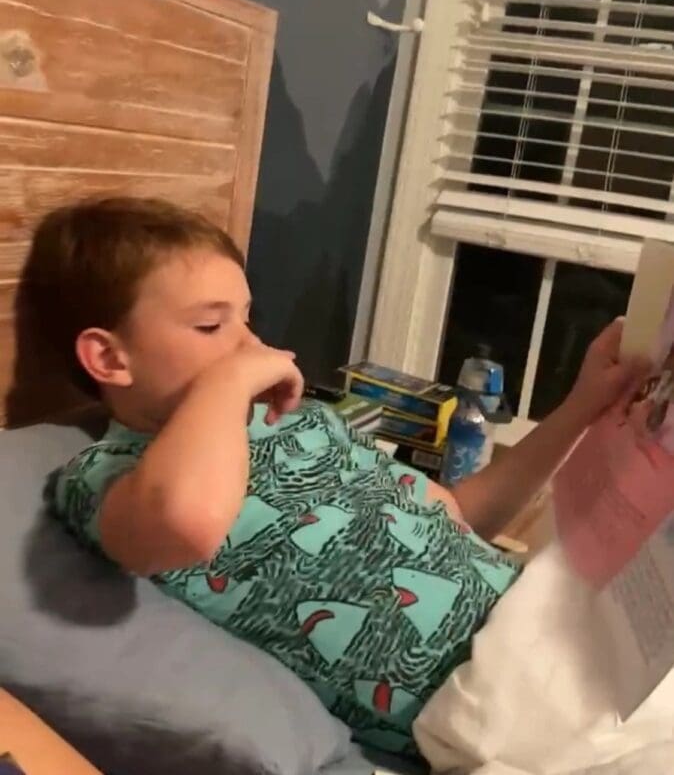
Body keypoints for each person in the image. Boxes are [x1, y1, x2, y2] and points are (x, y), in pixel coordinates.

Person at [34, 198, 645, 756]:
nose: (250, 344)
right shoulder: (105, 474)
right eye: (211, 325)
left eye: (248, 318)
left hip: (549, 620)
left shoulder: (300, 421)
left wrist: (584, 405)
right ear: (110, 358)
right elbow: (183, 524)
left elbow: (453, 513)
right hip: (485, 697)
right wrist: (229, 380)